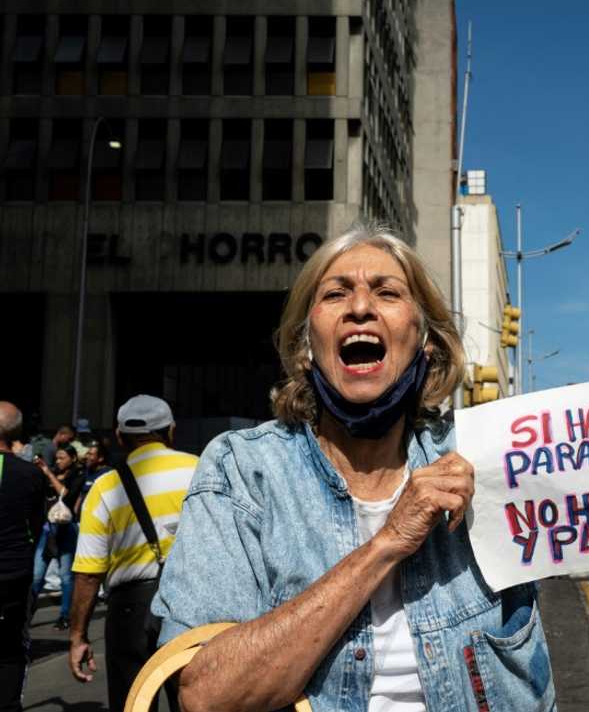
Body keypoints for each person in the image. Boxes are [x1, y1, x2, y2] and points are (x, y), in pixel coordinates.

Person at [152, 225, 558, 712]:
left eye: (387, 292)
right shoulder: (243, 471)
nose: (361, 307)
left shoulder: (484, 454)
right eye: (336, 293)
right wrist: (387, 543)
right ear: (306, 347)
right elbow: (206, 695)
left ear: (425, 342)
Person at [69, 396, 198, 712]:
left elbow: (88, 572)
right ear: (171, 430)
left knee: (133, 701)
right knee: (195, 699)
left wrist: (78, 636)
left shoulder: (105, 486)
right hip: (194, 602)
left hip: (130, 611)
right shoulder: (201, 469)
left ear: (119, 436)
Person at [0, 401, 47, 712]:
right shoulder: (31, 474)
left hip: (12, 571)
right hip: (13, 576)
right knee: (9, 648)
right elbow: (36, 525)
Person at [30, 445, 86, 631]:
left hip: (65, 529)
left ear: (72, 458)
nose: (58, 461)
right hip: (47, 530)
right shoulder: (50, 473)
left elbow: (67, 496)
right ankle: (27, 614)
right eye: (57, 458)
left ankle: (65, 616)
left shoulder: (77, 476)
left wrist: (48, 473)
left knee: (66, 577)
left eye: (62, 457)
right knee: (37, 575)